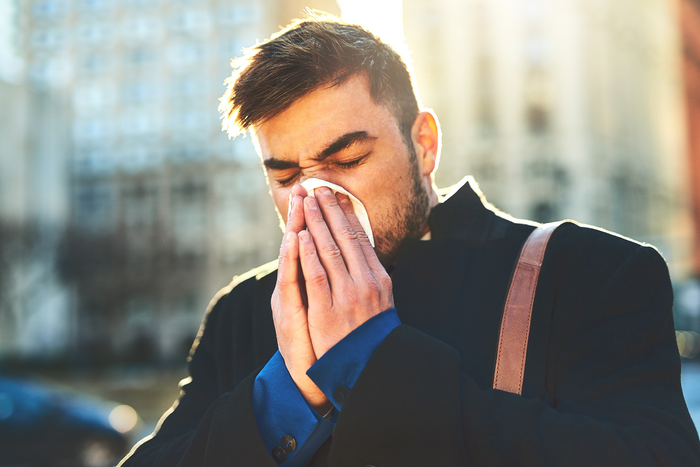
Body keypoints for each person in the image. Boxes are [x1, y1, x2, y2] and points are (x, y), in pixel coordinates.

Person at [119, 14, 700, 467]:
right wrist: (289, 393)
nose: (315, 197)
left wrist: (372, 359)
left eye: (346, 158)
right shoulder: (243, 312)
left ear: (423, 145)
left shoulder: (590, 274)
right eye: (286, 176)